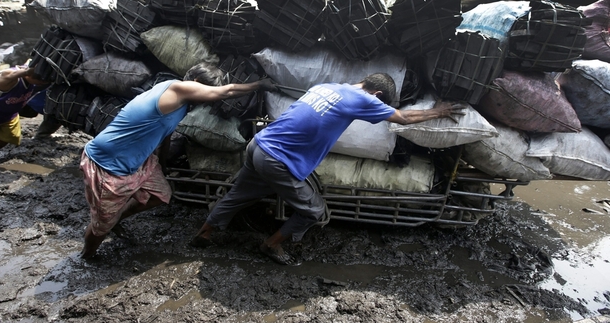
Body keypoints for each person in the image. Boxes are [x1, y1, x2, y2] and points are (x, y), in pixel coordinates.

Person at [190, 73, 466, 265]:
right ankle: (270, 245)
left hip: (258, 145)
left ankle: (204, 233)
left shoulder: (326, 86)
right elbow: (403, 118)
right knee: (312, 210)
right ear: (377, 94)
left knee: (238, 195)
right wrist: (439, 112)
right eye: (380, 101)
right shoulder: (365, 99)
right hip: (278, 160)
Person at [79, 62, 277, 259]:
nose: (206, 102)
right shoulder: (177, 87)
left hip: (138, 161)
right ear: (197, 82)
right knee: (100, 226)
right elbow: (226, 92)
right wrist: (258, 85)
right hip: (108, 163)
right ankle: (86, 256)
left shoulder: (179, 106)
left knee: (161, 194)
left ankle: (117, 218)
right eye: (207, 92)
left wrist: (163, 165)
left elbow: (165, 135)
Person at [0, 64, 49, 159]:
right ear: (28, 75)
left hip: (8, 113)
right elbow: (9, 74)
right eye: (41, 81)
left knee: (9, 136)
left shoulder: (33, 76)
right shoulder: (9, 77)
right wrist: (27, 72)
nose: (42, 83)